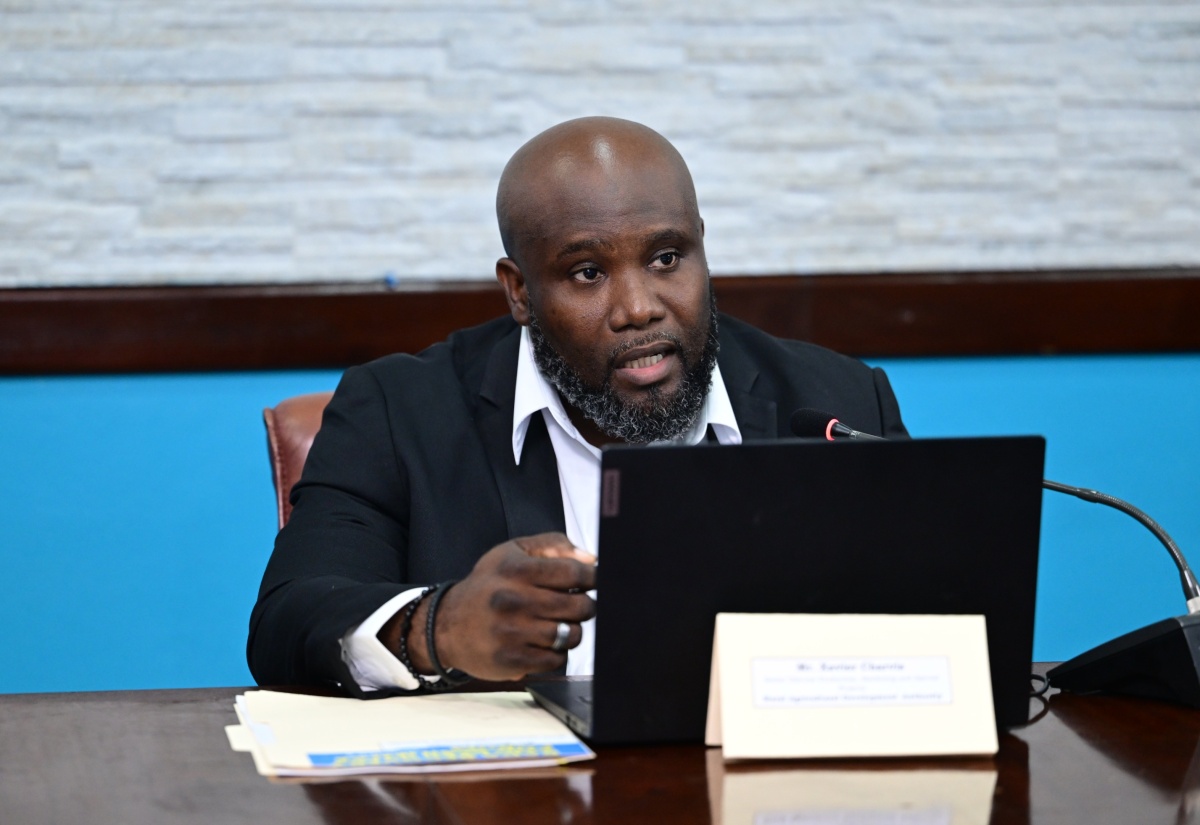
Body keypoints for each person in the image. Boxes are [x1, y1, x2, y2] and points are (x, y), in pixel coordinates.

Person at [248, 116, 908, 695]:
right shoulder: (398, 412)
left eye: (667, 257)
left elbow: (936, 625)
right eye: (587, 272)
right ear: (520, 291)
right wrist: (440, 627)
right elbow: (289, 621)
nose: (639, 307)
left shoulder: (838, 405)